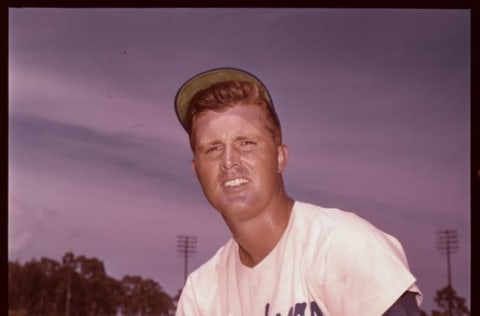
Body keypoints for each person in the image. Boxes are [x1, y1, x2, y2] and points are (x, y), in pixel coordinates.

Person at [173, 67, 423, 316]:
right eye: (213, 149)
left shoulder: (342, 245)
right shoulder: (202, 292)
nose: (229, 161)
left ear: (280, 158)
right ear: (196, 171)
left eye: (246, 143)